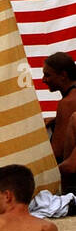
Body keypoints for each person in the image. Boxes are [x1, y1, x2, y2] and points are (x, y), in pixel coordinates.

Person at [44, 52, 76, 194]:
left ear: (63, 75)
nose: (44, 79)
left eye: (48, 75)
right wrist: (56, 120)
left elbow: (56, 151)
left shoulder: (67, 103)